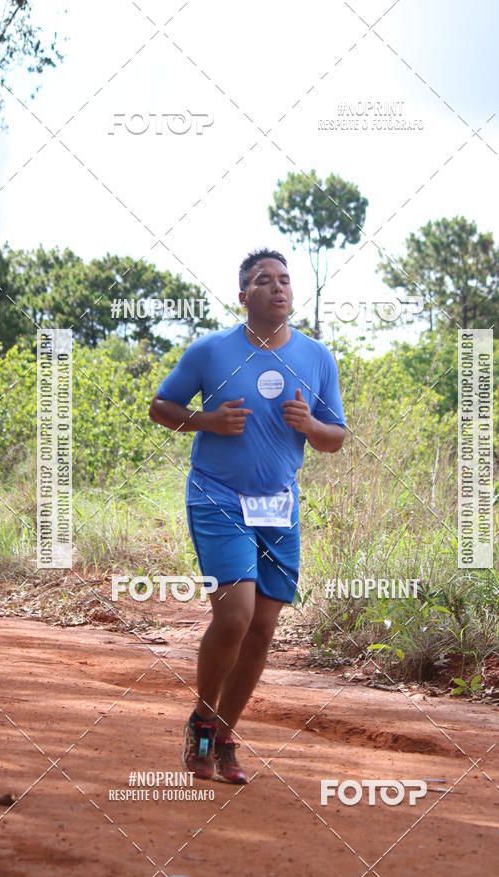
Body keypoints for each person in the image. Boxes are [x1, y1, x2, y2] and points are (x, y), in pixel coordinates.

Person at [149, 248, 346, 784]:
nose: (278, 287)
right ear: (243, 295)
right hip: (217, 497)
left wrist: (310, 425)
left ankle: (222, 733)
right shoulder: (212, 351)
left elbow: (335, 437)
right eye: (264, 280)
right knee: (235, 616)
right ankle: (201, 719)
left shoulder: (316, 357)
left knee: (262, 627)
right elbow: (161, 407)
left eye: (284, 279)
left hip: (278, 506)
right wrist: (207, 421)